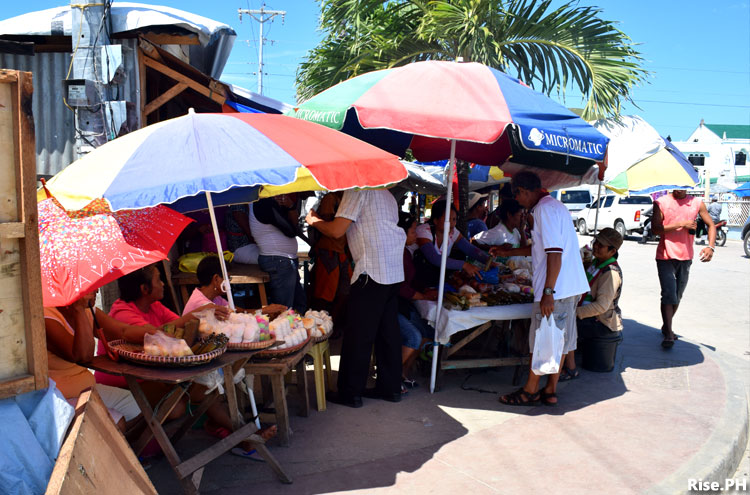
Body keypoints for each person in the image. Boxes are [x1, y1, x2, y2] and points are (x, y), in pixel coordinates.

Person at [492, 171, 589, 406]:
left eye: (518, 196)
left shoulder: (543, 210)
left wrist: (548, 293)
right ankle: (550, 391)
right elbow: (541, 248)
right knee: (560, 341)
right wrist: (508, 252)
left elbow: (554, 253)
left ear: (523, 192)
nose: (518, 201)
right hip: (568, 288)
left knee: (544, 340)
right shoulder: (555, 206)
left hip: (558, 289)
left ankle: (530, 389)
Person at [306, 189, 406, 408]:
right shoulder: (387, 194)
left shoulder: (358, 190)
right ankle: (389, 388)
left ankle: (350, 393)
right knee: (387, 332)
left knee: (359, 334)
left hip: (372, 270)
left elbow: (336, 231)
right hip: (393, 269)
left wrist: (313, 220)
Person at [44, 290, 143, 432]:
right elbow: (82, 355)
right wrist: (79, 310)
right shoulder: (46, 315)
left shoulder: (88, 311)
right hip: (60, 396)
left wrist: (154, 334)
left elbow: (122, 331)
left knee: (139, 407)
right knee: (116, 422)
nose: (96, 290)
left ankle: (121, 448)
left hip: (87, 388)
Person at [651, 189, 715, 349]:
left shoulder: (697, 203)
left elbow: (711, 225)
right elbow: (655, 229)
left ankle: (666, 325)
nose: (681, 189)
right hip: (665, 255)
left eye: (684, 186)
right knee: (668, 293)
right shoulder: (660, 202)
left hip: (686, 256)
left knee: (677, 296)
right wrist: (681, 224)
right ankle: (668, 334)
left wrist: (711, 247)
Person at [560, 228, 624, 380]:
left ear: (612, 250)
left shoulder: (610, 273)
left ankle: (570, 368)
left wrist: (575, 313)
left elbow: (601, 307)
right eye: (596, 242)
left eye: (601, 245)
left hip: (602, 322)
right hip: (591, 316)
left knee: (566, 324)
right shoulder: (596, 263)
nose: (596, 246)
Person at [397, 211, 437, 391]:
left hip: (405, 305)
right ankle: (391, 376)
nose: (416, 234)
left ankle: (402, 374)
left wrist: (425, 289)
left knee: (428, 332)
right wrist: (424, 296)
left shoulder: (406, 252)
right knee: (414, 336)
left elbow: (411, 281)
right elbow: (402, 289)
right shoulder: (397, 254)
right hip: (394, 306)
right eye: (413, 231)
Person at [249, 194, 306, 313]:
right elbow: (291, 230)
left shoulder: (267, 202)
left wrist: (289, 206)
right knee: (284, 312)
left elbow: (293, 225)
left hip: (282, 260)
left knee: (297, 307)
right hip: (279, 261)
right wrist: (290, 207)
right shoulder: (263, 203)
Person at [415, 199, 491, 285]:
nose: (452, 223)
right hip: (417, 279)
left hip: (436, 279)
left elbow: (469, 249)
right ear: (435, 220)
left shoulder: (452, 232)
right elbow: (434, 258)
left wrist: (487, 260)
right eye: (448, 219)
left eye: (454, 219)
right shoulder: (423, 231)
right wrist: (464, 265)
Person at [309, 191, 352, 334]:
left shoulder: (344, 198)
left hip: (341, 252)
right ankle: (319, 327)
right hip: (329, 251)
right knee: (324, 295)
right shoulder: (330, 198)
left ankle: (332, 325)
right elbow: (328, 225)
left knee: (344, 292)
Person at [183, 256, 250, 314]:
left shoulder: (215, 297)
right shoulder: (202, 304)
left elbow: (235, 310)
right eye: (228, 278)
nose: (229, 282)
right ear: (216, 279)